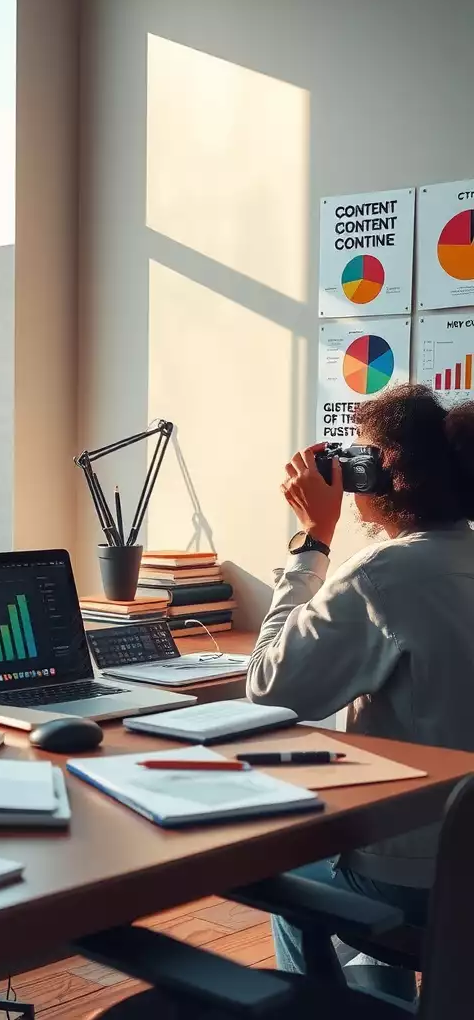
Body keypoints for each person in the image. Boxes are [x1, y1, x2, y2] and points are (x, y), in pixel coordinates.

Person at [246, 384, 474, 1001]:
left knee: (281, 862)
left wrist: (312, 538)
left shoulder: (384, 575)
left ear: (386, 476)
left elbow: (269, 686)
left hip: (421, 880)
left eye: (358, 457)